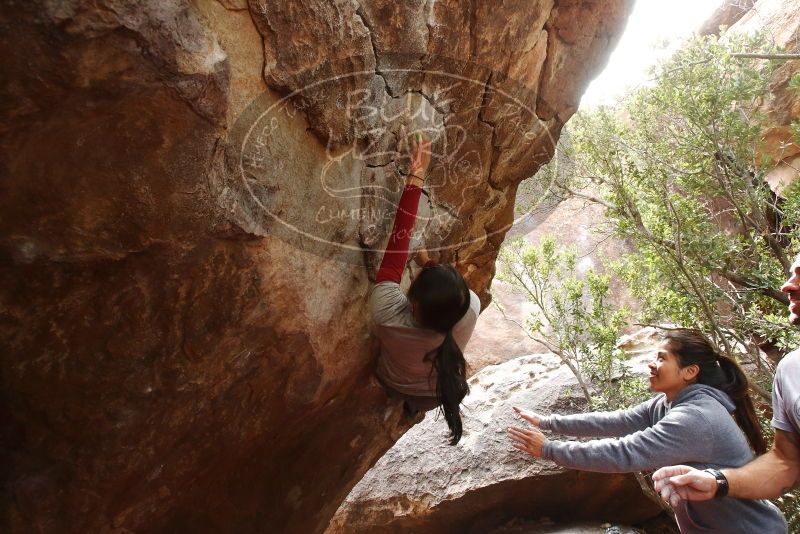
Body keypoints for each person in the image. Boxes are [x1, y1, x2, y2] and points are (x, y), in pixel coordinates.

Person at [507, 328, 787, 533]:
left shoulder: (695, 417)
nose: (652, 364)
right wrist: (548, 422)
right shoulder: (669, 404)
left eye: (662, 358)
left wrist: (548, 449)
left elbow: (624, 452)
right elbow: (616, 420)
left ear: (689, 372)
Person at [653, 255, 800, 508]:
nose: (787, 286)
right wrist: (718, 481)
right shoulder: (790, 370)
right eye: (792, 274)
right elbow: (786, 461)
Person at [370, 133, 481, 445]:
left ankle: (401, 404)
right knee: (414, 402)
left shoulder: (387, 314)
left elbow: (396, 248)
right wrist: (428, 263)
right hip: (435, 393)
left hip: (393, 381)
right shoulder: (470, 307)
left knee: (397, 392)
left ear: (414, 306)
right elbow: (449, 292)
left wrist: (416, 173)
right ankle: (410, 410)